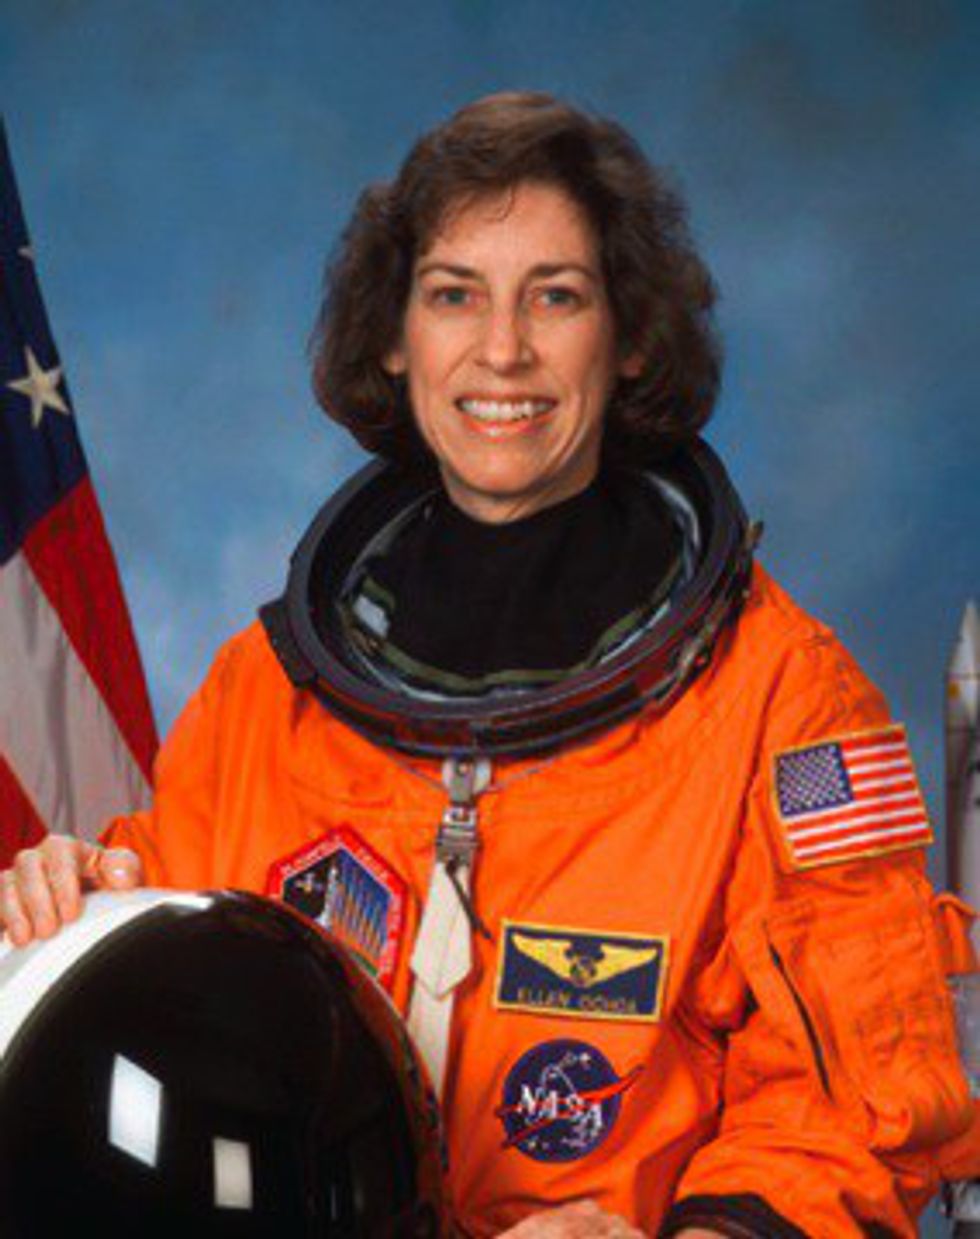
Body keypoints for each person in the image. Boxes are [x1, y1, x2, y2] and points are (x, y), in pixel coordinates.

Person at [0, 92, 976, 1238]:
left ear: (629, 340)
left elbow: (856, 1101)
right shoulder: (264, 693)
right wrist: (78, 910)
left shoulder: (782, 697)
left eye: (554, 296)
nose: (501, 350)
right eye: (453, 294)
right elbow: (172, 1000)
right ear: (394, 339)